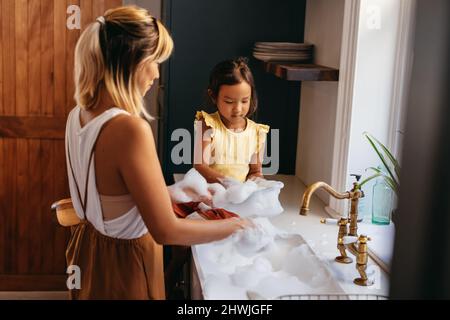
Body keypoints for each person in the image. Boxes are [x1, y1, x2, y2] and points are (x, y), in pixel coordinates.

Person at [65, 5, 250, 300]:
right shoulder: (129, 129)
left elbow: (110, 197)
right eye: (154, 61)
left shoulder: (79, 114)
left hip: (91, 252)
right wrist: (237, 226)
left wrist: (172, 192)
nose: (155, 73)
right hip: (126, 264)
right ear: (132, 62)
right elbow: (166, 232)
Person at [194, 57, 270, 184]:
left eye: (245, 101)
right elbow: (200, 167)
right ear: (213, 96)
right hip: (212, 196)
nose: (238, 109)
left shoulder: (257, 133)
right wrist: (228, 183)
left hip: (238, 198)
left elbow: (255, 172)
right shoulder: (207, 125)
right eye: (229, 101)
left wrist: (256, 186)